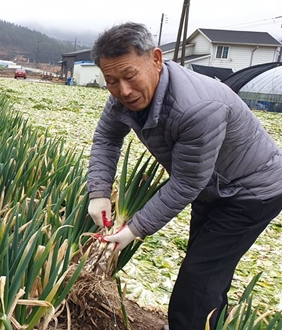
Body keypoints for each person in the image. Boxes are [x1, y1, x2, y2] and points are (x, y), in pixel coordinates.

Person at [85, 22, 282, 329]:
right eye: (111, 81)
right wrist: (98, 193)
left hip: (252, 190)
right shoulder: (122, 97)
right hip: (214, 187)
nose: (123, 90)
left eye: (129, 76)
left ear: (156, 60)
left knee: (198, 278)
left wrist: (133, 229)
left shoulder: (197, 107)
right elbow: (108, 138)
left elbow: (188, 182)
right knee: (207, 272)